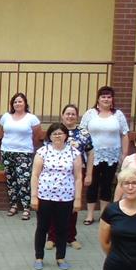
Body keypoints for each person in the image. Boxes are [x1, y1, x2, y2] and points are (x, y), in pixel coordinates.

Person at [31, 123, 82, 270]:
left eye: (60, 133)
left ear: (66, 135)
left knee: (62, 228)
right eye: (54, 134)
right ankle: (39, 257)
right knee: (42, 227)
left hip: (65, 197)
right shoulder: (43, 151)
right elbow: (35, 175)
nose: (57, 136)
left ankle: (61, 257)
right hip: (44, 196)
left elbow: (78, 177)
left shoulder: (74, 153)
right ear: (50, 136)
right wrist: (34, 196)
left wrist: (78, 199)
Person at [45, 104, 93, 251]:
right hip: (55, 174)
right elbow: (45, 151)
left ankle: (70, 237)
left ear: (77, 116)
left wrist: (89, 173)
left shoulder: (84, 133)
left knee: (73, 205)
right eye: (67, 113)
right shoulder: (55, 130)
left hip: (76, 173)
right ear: (62, 115)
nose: (70, 116)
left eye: (73, 114)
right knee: (53, 205)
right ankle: (52, 237)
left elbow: (91, 153)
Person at [80, 86, 129, 225]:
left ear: (112, 99)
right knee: (92, 184)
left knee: (107, 185)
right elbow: (82, 133)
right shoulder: (90, 114)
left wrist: (124, 154)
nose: (106, 99)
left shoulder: (118, 115)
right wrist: (81, 153)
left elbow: (124, 134)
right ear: (98, 99)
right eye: (103, 97)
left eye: (109, 97)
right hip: (92, 156)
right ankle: (90, 215)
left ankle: (103, 215)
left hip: (112, 156)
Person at [0, 92, 42, 221]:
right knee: (10, 180)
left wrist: (28, 147)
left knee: (24, 180)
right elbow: (2, 131)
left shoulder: (31, 118)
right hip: (7, 151)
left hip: (24, 153)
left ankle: (26, 208)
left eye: (20, 101)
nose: (17, 104)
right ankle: (13, 206)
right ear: (12, 104)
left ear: (25, 103)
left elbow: (37, 135)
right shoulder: (6, 117)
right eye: (15, 102)